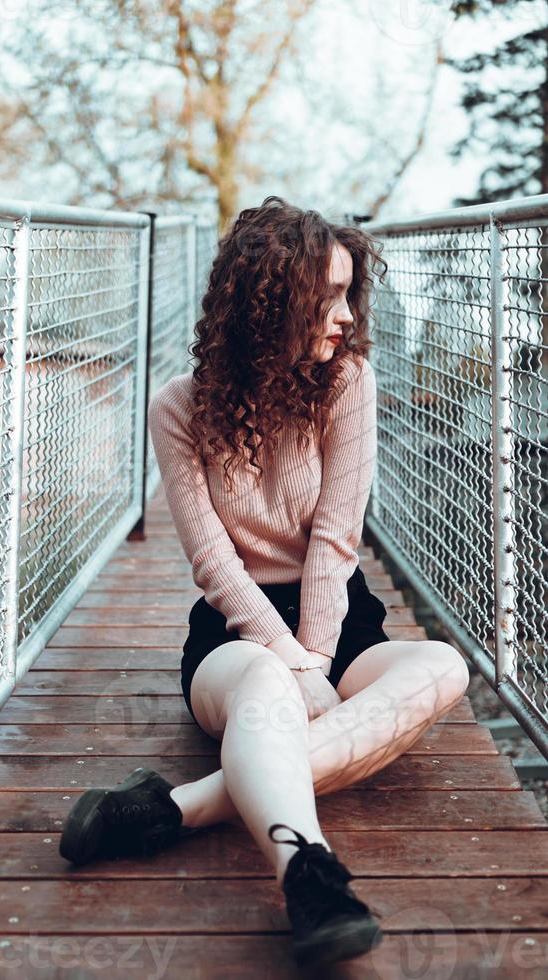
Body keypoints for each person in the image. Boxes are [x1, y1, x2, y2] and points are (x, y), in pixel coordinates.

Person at [59, 196, 470, 970]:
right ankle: (309, 878)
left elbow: (335, 537)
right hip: (236, 632)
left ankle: (169, 808)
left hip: (337, 617)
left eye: (351, 292)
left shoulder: (346, 380)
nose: (346, 314)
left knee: (440, 667)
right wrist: (287, 661)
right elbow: (214, 563)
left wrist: (317, 655)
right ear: (270, 301)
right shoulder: (178, 409)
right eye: (328, 295)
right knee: (269, 695)